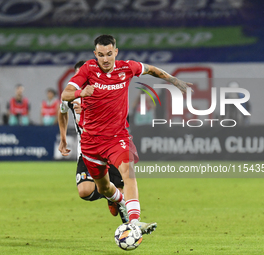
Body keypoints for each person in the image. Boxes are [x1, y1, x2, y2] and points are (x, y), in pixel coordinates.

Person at [61, 34, 192, 235]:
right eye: (101, 55)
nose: (106, 59)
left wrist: (173, 80)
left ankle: (134, 221)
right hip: (91, 143)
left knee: (128, 172)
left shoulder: (127, 68)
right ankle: (119, 202)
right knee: (104, 189)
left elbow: (151, 70)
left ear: (116, 52)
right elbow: (66, 94)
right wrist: (81, 93)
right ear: (95, 54)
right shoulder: (88, 69)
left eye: (109, 54)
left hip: (117, 138)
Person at [58, 60, 127, 223]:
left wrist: (89, 109)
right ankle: (110, 196)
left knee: (120, 193)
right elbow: (62, 113)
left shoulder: (105, 92)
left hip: (110, 146)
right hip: (87, 150)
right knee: (84, 191)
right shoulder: (70, 97)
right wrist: (63, 138)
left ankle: (130, 229)